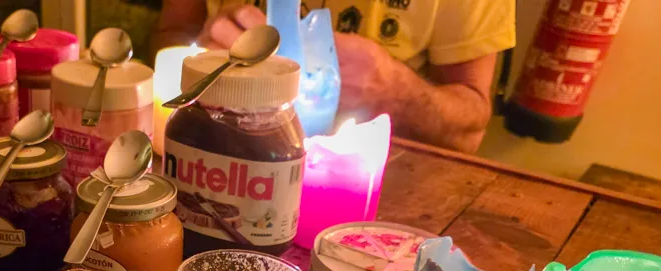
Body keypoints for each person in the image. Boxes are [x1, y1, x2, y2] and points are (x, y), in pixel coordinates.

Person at [153, 0, 515, 153]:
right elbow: (169, 35)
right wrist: (198, 56)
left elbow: (470, 127)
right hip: (214, 150)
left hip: (377, 193)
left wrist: (396, 92)